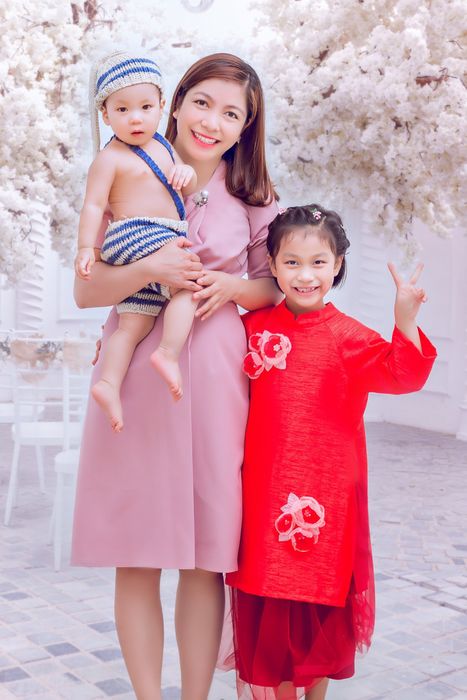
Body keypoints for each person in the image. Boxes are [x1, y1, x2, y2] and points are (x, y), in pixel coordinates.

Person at [71, 53, 280, 700]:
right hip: (133, 376)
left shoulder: (253, 197)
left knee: (206, 559)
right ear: (177, 101)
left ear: (246, 127)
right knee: (136, 554)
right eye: (202, 103)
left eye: (231, 113)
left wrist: (231, 285)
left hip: (217, 386)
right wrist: (148, 271)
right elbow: (86, 291)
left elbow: (274, 286)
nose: (212, 122)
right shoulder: (127, 166)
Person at [225, 205, 437, 700]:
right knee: (268, 617)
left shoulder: (349, 337)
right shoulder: (252, 328)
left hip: (323, 505)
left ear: (338, 264)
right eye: (292, 262)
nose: (305, 275)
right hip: (262, 499)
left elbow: (405, 374)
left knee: (318, 618)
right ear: (272, 265)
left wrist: (404, 319)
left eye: (318, 262)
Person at [75, 51, 199, 431]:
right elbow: (93, 205)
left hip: (136, 246)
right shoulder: (109, 158)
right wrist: (85, 247)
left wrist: (186, 171)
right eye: (122, 109)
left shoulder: (164, 146)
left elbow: (184, 183)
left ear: (162, 106)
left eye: (145, 107)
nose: (135, 118)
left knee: (133, 325)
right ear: (105, 114)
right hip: (140, 233)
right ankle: (168, 353)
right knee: (188, 287)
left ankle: (109, 384)